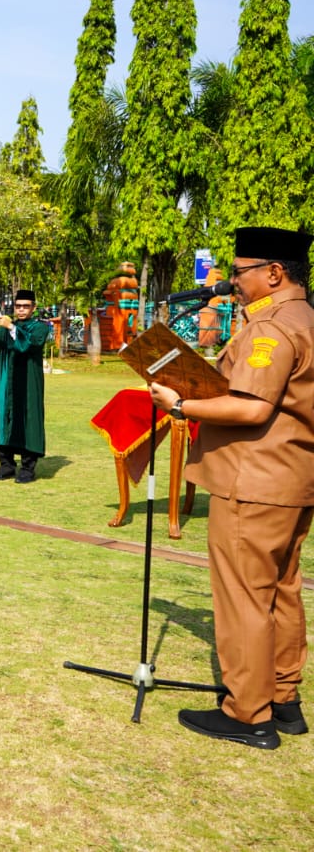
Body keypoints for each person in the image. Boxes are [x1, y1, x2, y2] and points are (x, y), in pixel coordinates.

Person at [150, 226, 314, 750]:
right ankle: (283, 698)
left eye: (241, 271)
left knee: (245, 597)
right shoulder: (304, 317)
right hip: (290, 476)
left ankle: (248, 713)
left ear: (274, 272)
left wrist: (180, 404)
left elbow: (253, 407)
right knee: (281, 590)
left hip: (255, 480)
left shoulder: (273, 329)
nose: (232, 280)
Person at [0, 290, 51, 483]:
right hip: (6, 380)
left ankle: (27, 469)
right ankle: (6, 466)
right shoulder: (5, 326)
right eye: (18, 306)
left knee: (29, 420)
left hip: (28, 380)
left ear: (33, 308)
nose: (21, 310)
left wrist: (11, 327)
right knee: (4, 418)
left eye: (25, 306)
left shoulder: (40, 327)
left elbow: (29, 344)